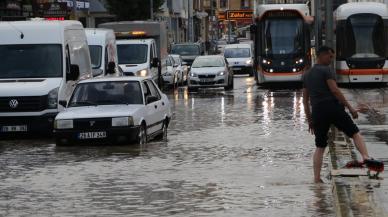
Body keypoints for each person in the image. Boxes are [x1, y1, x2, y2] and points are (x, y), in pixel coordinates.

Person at [302, 46, 370, 183]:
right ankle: (366, 157)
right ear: (321, 56)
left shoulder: (307, 75)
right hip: (332, 108)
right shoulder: (326, 70)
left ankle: (316, 179)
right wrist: (350, 108)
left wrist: (310, 120)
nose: (331, 60)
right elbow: (335, 91)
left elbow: (305, 101)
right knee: (354, 132)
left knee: (320, 146)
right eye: (330, 56)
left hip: (317, 112)